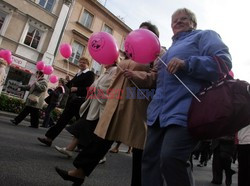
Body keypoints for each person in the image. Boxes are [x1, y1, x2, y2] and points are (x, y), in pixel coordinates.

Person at [54, 22, 160, 186]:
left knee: (140, 147)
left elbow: (155, 79)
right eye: (137, 31)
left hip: (136, 106)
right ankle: (79, 172)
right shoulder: (128, 55)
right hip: (115, 102)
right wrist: (108, 93)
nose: (138, 36)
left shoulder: (156, 56)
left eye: (144, 33)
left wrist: (136, 75)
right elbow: (115, 77)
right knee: (101, 139)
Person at [141, 8, 232, 186]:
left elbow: (223, 62)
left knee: (171, 158)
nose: (178, 22)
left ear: (193, 23)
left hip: (186, 111)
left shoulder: (204, 36)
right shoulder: (167, 52)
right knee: (150, 162)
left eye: (184, 19)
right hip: (158, 114)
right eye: (174, 20)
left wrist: (187, 63)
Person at [54, 63, 117, 158]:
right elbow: (95, 85)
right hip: (93, 105)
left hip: (99, 108)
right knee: (82, 128)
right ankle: (70, 149)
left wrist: (95, 89)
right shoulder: (106, 72)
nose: (103, 63)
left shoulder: (114, 71)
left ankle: (99, 156)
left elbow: (110, 88)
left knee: (91, 132)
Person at [37, 57, 95, 146]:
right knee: (62, 120)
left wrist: (78, 89)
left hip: (81, 102)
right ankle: (49, 138)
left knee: (82, 124)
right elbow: (69, 86)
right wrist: (67, 81)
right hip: (72, 101)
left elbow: (90, 89)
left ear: (88, 64)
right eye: (80, 62)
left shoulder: (90, 74)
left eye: (84, 62)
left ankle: (83, 145)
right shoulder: (78, 74)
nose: (81, 64)